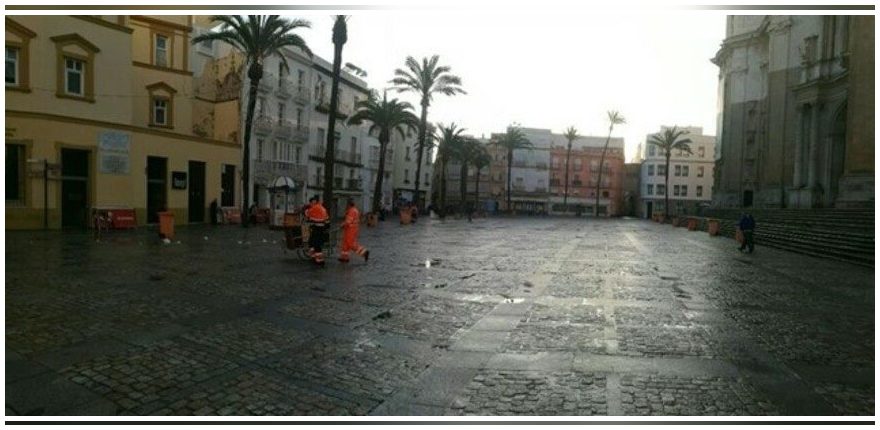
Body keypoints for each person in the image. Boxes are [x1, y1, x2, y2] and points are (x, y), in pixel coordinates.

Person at [338, 198, 370, 263]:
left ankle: (364, 252)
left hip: (351, 229)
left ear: (349, 205)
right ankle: (344, 257)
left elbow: (348, 221)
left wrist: (342, 225)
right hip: (351, 229)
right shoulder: (354, 210)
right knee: (345, 243)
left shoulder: (352, 211)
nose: (346, 206)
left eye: (347, 205)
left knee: (350, 243)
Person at [305, 195, 330, 267]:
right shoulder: (323, 208)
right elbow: (327, 220)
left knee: (315, 244)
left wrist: (306, 208)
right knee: (314, 243)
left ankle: (319, 261)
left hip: (317, 229)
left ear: (314, 201)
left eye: (311, 202)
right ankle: (315, 258)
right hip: (322, 229)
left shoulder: (314, 208)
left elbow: (307, 214)